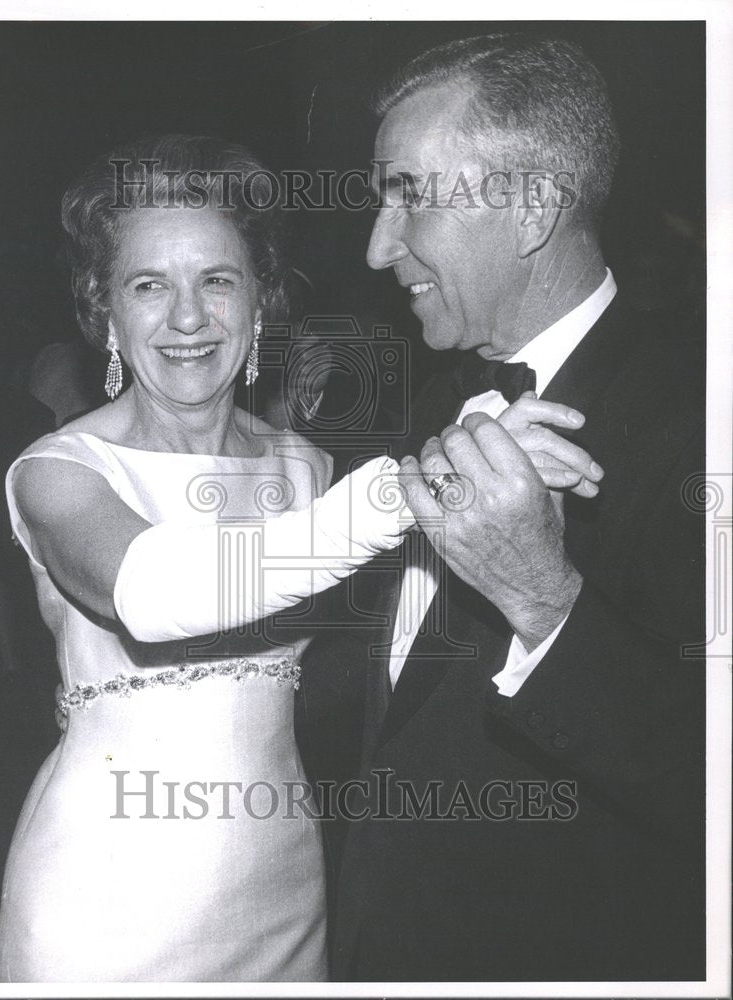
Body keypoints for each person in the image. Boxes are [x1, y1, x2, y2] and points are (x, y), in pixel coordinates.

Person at [0, 134, 600, 982]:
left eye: (217, 280)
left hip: (283, 891)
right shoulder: (58, 474)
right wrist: (414, 486)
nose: (188, 317)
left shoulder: (301, 467)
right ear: (105, 310)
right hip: (106, 898)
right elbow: (156, 590)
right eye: (147, 285)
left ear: (259, 301)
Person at [316, 35, 705, 981]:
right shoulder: (421, 402)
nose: (376, 246)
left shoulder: (700, 415)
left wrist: (544, 600)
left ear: (529, 207)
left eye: (408, 191)